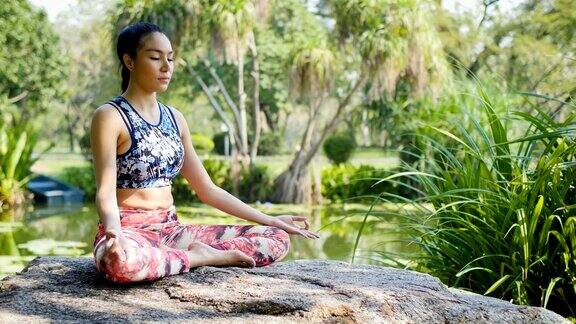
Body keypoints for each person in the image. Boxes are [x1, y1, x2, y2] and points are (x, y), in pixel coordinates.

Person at [91, 22, 319, 284]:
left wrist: (271, 219)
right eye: (155, 58)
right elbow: (105, 191)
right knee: (120, 262)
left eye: (171, 58)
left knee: (276, 239)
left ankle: (188, 256)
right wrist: (113, 232)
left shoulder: (175, 118)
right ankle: (199, 258)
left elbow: (207, 189)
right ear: (129, 61)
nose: (166, 67)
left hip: (172, 231)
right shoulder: (110, 116)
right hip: (129, 231)